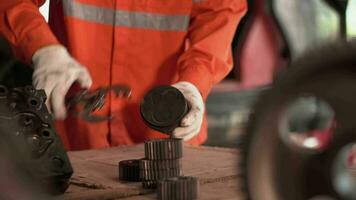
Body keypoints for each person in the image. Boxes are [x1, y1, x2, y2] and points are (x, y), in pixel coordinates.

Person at [0, 0, 247, 150]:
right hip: (76, 136)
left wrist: (196, 80)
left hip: (169, 135)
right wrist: (42, 47)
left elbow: (222, 9)